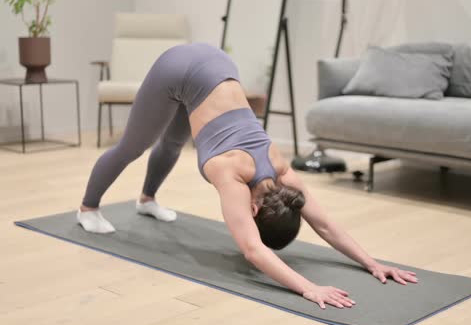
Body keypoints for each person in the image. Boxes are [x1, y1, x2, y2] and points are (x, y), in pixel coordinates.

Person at [78, 43, 418, 309]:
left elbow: (325, 225)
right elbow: (253, 250)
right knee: (133, 147)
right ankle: (88, 209)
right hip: (178, 68)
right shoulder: (231, 175)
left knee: (174, 142)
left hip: (217, 65)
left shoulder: (284, 177)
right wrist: (309, 288)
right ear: (254, 212)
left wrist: (373, 264)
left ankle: (147, 200)